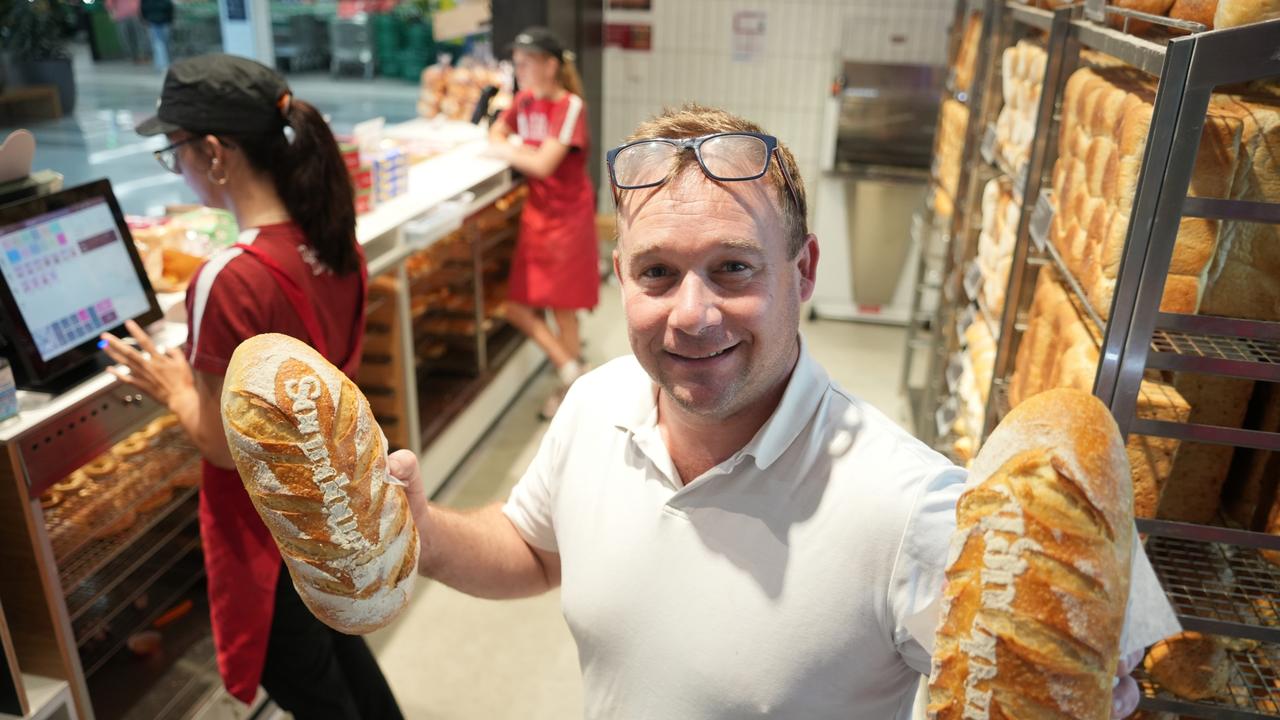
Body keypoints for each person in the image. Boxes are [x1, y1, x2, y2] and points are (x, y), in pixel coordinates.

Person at [386, 104, 1143, 718]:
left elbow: (1036, 679)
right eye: (657, 272)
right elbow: (534, 549)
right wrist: (424, 531)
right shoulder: (594, 404)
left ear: (802, 270)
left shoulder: (911, 507)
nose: (692, 313)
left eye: (733, 268)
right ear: (620, 277)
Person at [99, 54, 403, 720]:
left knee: (314, 690)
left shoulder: (230, 276)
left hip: (266, 530)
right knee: (344, 661)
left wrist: (175, 385)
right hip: (330, 503)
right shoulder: (334, 240)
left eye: (172, 150)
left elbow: (216, 443)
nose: (174, 166)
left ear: (214, 152)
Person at [485, 27, 598, 419]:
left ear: (550, 65)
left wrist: (505, 147)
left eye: (527, 62)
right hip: (539, 216)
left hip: (567, 217)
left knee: (562, 308)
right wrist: (506, 141)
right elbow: (498, 128)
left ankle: (571, 387)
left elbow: (542, 163)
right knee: (520, 306)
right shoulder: (524, 100)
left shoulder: (570, 106)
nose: (521, 70)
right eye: (516, 63)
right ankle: (573, 372)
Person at [107, 0, 150, 65]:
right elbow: (109, 4)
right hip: (122, 17)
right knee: (127, 38)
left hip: (137, 14)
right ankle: (134, 56)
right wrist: (112, 13)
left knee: (140, 36)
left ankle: (143, 55)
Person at [140, 0, 173, 69]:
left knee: (157, 44)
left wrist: (145, 18)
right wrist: (170, 20)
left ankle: (161, 64)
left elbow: (143, 8)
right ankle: (164, 63)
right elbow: (169, 6)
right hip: (164, 21)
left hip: (152, 21)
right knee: (163, 43)